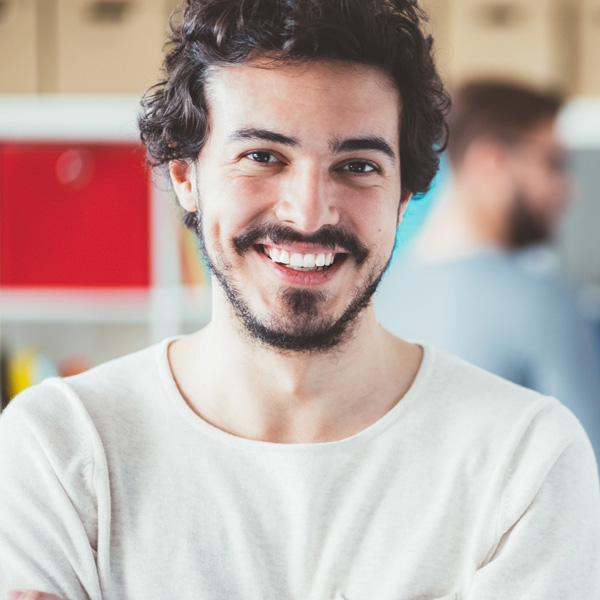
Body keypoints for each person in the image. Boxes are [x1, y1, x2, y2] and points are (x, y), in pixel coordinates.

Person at [1, 3, 598, 599]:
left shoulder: (526, 460)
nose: (309, 213)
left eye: (358, 166)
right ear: (185, 176)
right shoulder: (61, 449)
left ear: (403, 198)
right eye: (263, 156)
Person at [376, 80, 600, 465]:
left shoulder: (380, 296)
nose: (568, 190)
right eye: (553, 164)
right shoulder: (543, 302)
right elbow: (588, 476)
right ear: (492, 159)